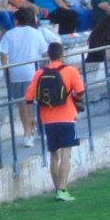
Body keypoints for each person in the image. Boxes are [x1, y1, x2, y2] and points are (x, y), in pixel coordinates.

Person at [26, 42, 86, 201]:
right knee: (66, 154)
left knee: (54, 155)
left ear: (48, 55)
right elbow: (80, 92)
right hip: (68, 117)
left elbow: (29, 97)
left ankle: (56, 190)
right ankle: (62, 190)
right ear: (62, 55)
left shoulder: (39, 73)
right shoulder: (71, 71)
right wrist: (76, 99)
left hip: (47, 119)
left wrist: (31, 117)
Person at [0, 7, 52, 146]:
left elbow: (3, 55)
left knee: (22, 103)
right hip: (32, 72)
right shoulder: (35, 33)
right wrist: (43, 68)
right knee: (34, 101)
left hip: (16, 72)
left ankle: (27, 134)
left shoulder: (9, 34)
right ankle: (40, 130)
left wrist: (6, 72)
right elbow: (46, 53)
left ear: (16, 20)